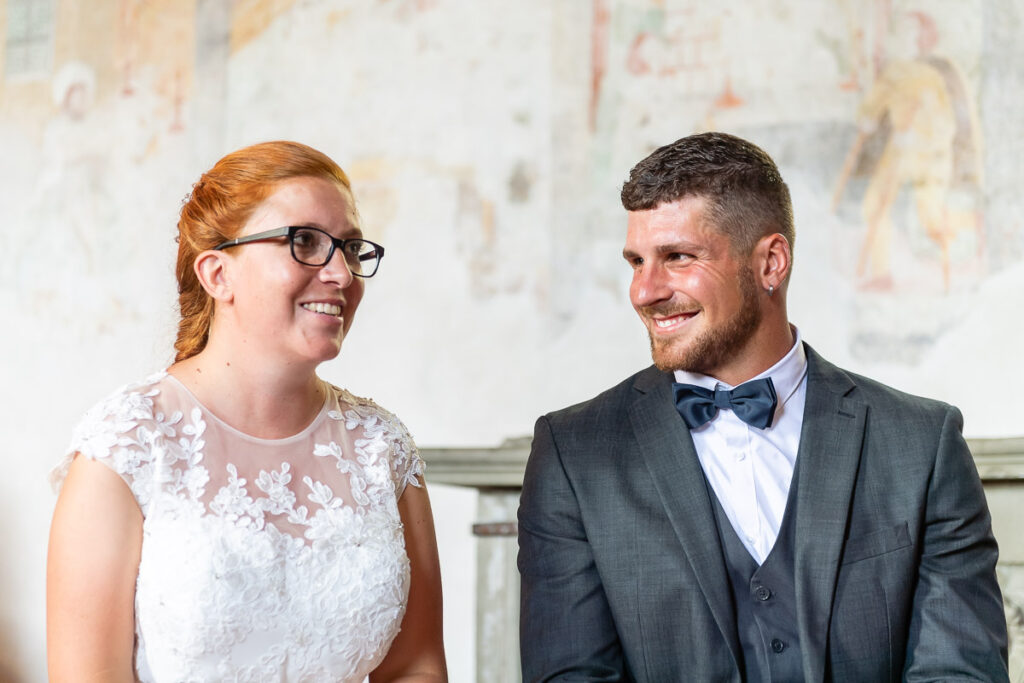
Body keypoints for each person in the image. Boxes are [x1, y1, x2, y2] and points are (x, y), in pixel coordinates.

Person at [517, 132, 1008, 681]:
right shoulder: (574, 453)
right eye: (636, 261)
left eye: (677, 257)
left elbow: (960, 671)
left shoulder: (922, 443)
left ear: (771, 262)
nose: (643, 291)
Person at [47, 141, 447, 682]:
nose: (343, 276)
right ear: (217, 274)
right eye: (304, 241)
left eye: (351, 249)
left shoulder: (382, 447)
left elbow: (416, 667)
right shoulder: (127, 444)